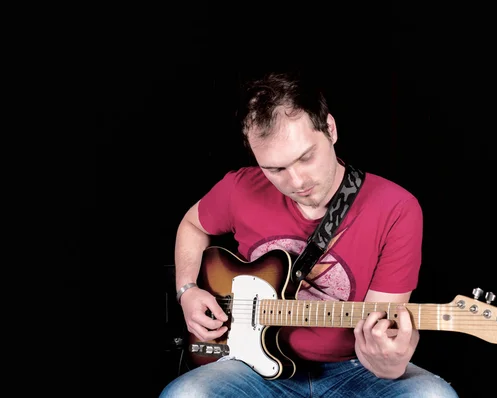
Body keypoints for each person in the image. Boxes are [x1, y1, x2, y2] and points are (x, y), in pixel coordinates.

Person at [159, 71, 459, 397]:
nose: (298, 181)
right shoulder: (239, 188)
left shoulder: (396, 207)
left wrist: (389, 360)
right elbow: (192, 225)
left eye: (306, 157)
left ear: (330, 129)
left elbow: (382, 335)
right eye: (276, 169)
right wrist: (187, 290)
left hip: (354, 369)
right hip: (248, 366)